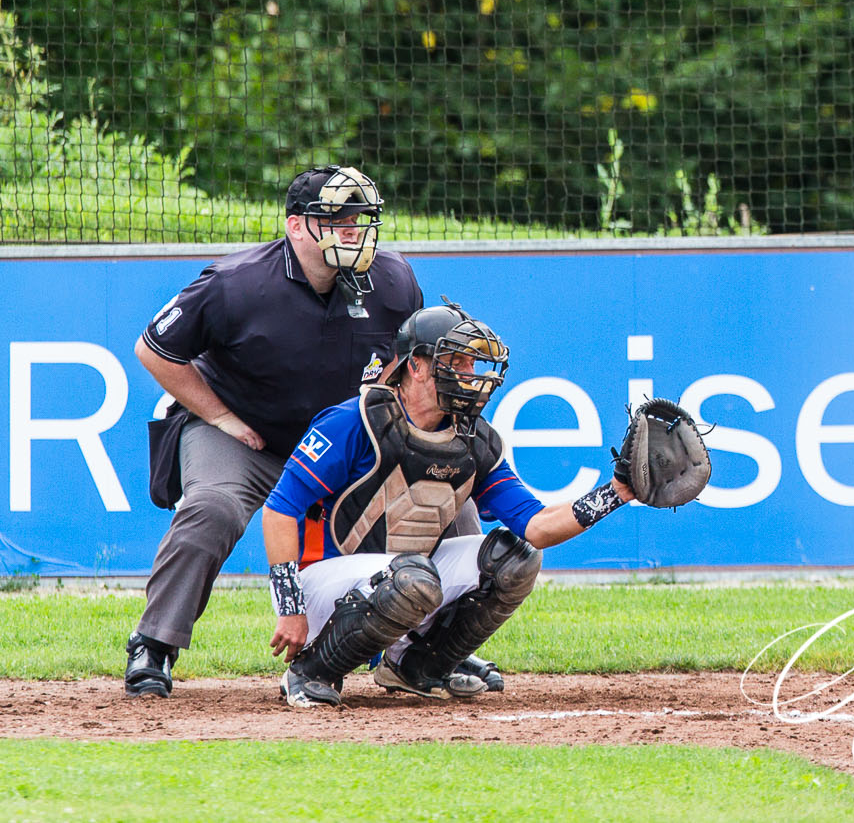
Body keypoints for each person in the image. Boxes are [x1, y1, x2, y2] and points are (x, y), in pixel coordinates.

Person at [261, 302, 664, 708]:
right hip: (318, 585)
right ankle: (311, 672)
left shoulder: (474, 440)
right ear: (415, 366)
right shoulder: (355, 421)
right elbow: (279, 508)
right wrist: (291, 607)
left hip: (400, 580)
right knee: (413, 575)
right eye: (455, 361)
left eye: (472, 364)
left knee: (514, 558)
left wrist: (617, 492)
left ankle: (418, 666)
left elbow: (538, 527)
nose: (469, 375)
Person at [124, 165, 425, 697]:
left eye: (361, 217)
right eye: (334, 217)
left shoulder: (394, 279)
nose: (353, 229)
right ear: (295, 226)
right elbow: (154, 348)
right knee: (212, 507)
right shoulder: (235, 284)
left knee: (440, 488)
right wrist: (220, 418)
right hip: (247, 435)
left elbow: (408, 362)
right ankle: (155, 644)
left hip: (342, 442)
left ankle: (435, 652)